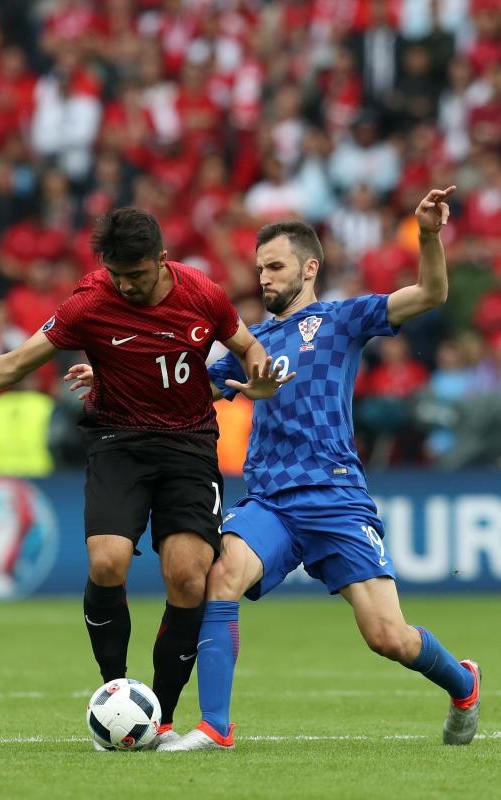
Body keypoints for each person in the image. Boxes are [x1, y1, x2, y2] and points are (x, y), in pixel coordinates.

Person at [0, 207, 288, 750]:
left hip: (189, 445)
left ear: (162, 261)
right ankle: (115, 692)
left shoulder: (202, 293)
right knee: (106, 560)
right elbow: (14, 363)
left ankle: (160, 717)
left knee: (188, 576)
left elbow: (248, 346)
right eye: (118, 275)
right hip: (118, 442)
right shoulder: (90, 303)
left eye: (136, 275)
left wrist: (259, 371)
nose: (127, 286)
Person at [155, 186, 482, 751]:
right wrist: (109, 379)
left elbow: (432, 292)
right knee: (221, 577)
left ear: (309, 268)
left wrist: (428, 235)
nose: (264, 278)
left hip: (334, 496)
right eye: (260, 268)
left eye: (275, 266)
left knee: (388, 638)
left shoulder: (342, 319)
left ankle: (463, 685)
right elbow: (180, 390)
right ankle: (215, 726)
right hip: (270, 501)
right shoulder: (246, 345)